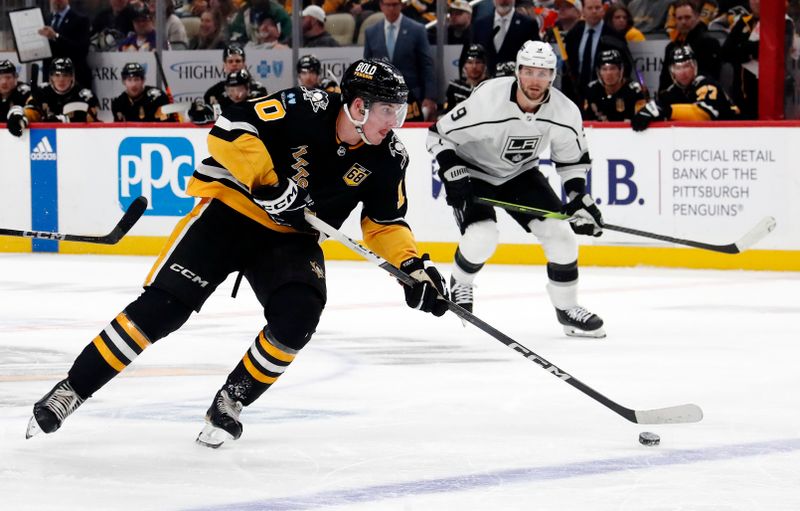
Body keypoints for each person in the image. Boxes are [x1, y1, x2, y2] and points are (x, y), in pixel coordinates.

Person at [25, 58, 449, 447]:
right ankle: (73, 389)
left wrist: (412, 268)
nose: (395, 121)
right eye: (387, 110)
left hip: (290, 238)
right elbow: (229, 128)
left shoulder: (390, 156)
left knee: (299, 315)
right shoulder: (305, 105)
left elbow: (385, 223)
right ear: (358, 106)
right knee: (162, 310)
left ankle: (231, 398)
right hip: (229, 213)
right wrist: (269, 184)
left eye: (399, 111)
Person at [427, 41, 606, 338]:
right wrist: (451, 171)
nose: (536, 80)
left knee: (561, 235)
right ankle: (461, 282)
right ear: (518, 72)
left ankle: (567, 309)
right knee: (482, 236)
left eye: (544, 73)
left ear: (553, 75)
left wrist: (578, 198)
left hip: (520, 174)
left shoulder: (564, 111)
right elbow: (438, 135)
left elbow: (571, 160)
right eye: (530, 71)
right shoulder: (488, 100)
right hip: (474, 170)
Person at [632, 45, 739, 131]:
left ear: (695, 67)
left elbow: (704, 115)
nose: (683, 72)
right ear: (672, 71)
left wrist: (665, 110)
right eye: (678, 68)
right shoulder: (670, 93)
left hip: (733, 136)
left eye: (687, 66)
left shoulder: (708, 85)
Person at [363, 0, 437, 121]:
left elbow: (426, 65)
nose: (391, 8)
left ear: (401, 5)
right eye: (388, 5)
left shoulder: (417, 30)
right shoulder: (371, 32)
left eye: (394, 5)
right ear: (381, 6)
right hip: (382, 100)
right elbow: (368, 69)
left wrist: (429, 97)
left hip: (412, 100)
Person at [562, 0, 631, 106]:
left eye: (597, 8)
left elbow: (625, 66)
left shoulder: (614, 35)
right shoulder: (574, 33)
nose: (594, 11)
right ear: (583, 11)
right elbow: (567, 67)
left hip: (604, 97)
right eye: (590, 8)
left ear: (603, 10)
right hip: (575, 95)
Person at [10, 58, 100, 138]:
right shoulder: (42, 91)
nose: (61, 79)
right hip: (47, 137)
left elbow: (92, 122)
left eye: (65, 75)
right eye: (57, 75)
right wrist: (21, 118)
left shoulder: (85, 96)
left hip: (78, 139)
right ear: (51, 77)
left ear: (72, 77)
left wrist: (63, 120)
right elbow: (31, 110)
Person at [657, 0, 721, 98]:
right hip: (674, 102)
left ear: (697, 17)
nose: (683, 22)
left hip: (702, 98)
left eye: (687, 17)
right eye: (680, 18)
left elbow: (711, 76)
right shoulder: (670, 48)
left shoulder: (709, 42)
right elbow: (665, 80)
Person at [469, 0, 540, 73]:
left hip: (515, 78)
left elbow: (535, 54)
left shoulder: (528, 24)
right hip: (487, 79)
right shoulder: (480, 24)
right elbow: (473, 52)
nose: (503, 1)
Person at [39, 0, 92, 89]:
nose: (56, 1)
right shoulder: (46, 19)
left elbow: (81, 50)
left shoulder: (81, 20)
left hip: (75, 78)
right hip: (51, 78)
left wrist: (56, 36)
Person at [583, 49, 647, 121]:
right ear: (599, 72)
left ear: (620, 70)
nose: (609, 73)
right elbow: (586, 120)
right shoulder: (592, 89)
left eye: (613, 68)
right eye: (604, 69)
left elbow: (643, 116)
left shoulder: (634, 89)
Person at [203, 44, 268, 115]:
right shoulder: (214, 92)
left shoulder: (258, 89)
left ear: (244, 64)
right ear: (224, 65)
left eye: (238, 61)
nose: (234, 64)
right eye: (230, 61)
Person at [111, 62, 177, 122]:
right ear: (124, 81)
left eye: (136, 79)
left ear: (143, 80)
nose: (133, 84)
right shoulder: (118, 103)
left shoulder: (157, 97)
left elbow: (168, 127)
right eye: (129, 80)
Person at [442, 44, 490, 114]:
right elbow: (447, 113)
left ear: (484, 65)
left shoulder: (491, 86)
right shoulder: (455, 87)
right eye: (470, 62)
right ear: (464, 65)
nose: (474, 66)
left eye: (478, 62)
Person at [1, 60, 33, 135]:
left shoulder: (24, 91)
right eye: (0, 78)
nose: (4, 82)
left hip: (24, 138)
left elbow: (32, 111)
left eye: (8, 77)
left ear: (15, 77)